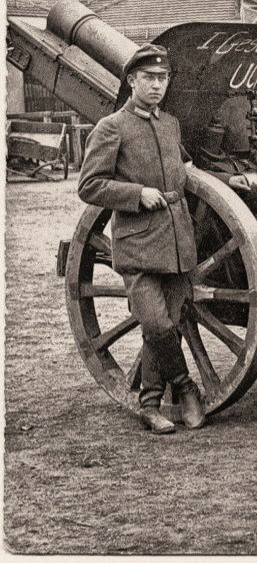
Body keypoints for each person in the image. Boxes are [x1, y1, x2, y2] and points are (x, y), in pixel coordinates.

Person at [77, 44, 205, 434]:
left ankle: (150, 405)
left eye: (162, 79)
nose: (156, 86)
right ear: (131, 81)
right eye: (148, 78)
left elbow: (183, 166)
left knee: (164, 325)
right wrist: (135, 194)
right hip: (138, 244)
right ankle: (186, 388)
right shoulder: (111, 127)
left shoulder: (170, 125)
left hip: (178, 242)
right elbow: (90, 185)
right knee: (157, 322)